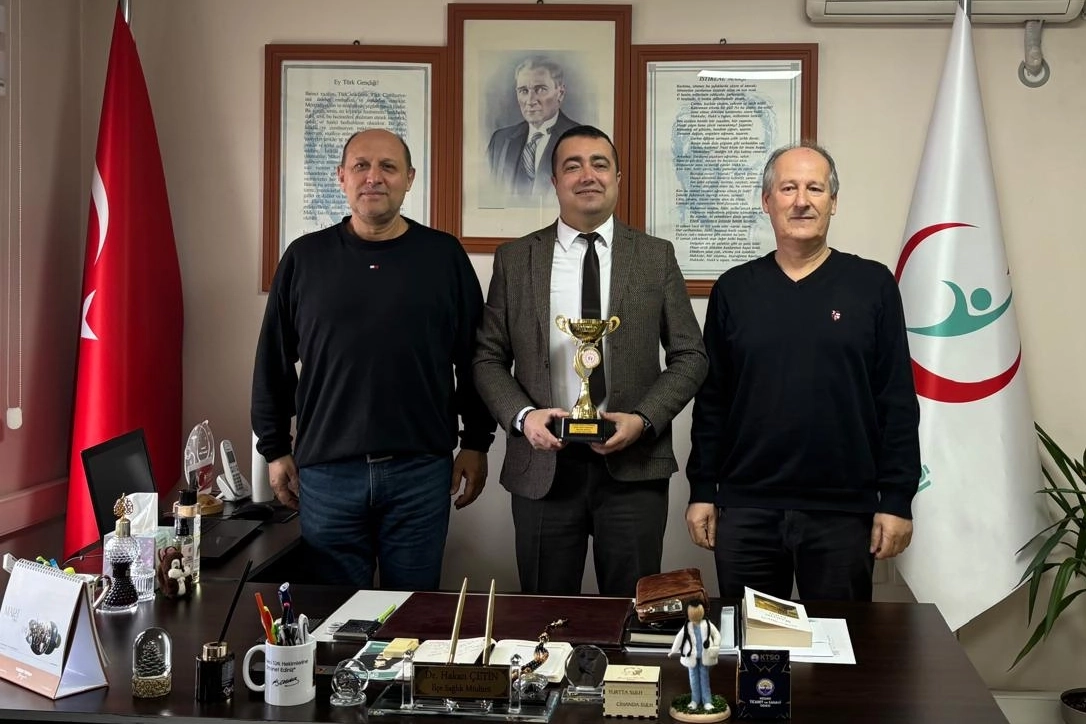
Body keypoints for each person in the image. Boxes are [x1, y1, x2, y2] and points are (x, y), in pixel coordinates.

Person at [252, 128, 495, 591]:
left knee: (414, 614)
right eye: (361, 166)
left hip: (420, 471)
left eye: (388, 167)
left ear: (410, 178)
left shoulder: (443, 256)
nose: (373, 177)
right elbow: (272, 363)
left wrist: (477, 442)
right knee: (334, 618)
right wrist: (275, 447)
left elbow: (476, 359)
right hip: (326, 474)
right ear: (341, 177)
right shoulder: (305, 258)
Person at [474, 125, 708, 597]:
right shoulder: (516, 259)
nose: (587, 175)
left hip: (633, 466)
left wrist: (644, 419)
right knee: (544, 612)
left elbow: (691, 355)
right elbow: (487, 357)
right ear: (555, 181)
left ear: (617, 178)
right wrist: (523, 417)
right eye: (572, 165)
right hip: (544, 465)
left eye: (600, 164)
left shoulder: (655, 256)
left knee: (631, 612)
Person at [685, 142, 921, 602]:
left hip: (843, 513)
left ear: (834, 202)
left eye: (815, 188)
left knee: (840, 643)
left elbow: (896, 400)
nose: (801, 201)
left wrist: (896, 499)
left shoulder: (872, 285)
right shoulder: (734, 289)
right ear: (766, 201)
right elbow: (712, 402)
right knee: (752, 644)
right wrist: (702, 490)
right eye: (788, 188)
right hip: (747, 510)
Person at [487, 56, 579, 197]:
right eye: (523, 91)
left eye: (540, 89)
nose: (530, 101)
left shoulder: (580, 138)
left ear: (560, 93)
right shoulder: (499, 141)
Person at [669, 599, 721, 713]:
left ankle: (707, 701)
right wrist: (673, 650)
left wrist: (716, 644)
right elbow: (679, 638)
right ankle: (695, 700)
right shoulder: (687, 626)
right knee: (693, 679)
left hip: (704, 656)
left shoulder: (707, 624)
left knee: (704, 678)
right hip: (691, 656)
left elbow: (716, 634)